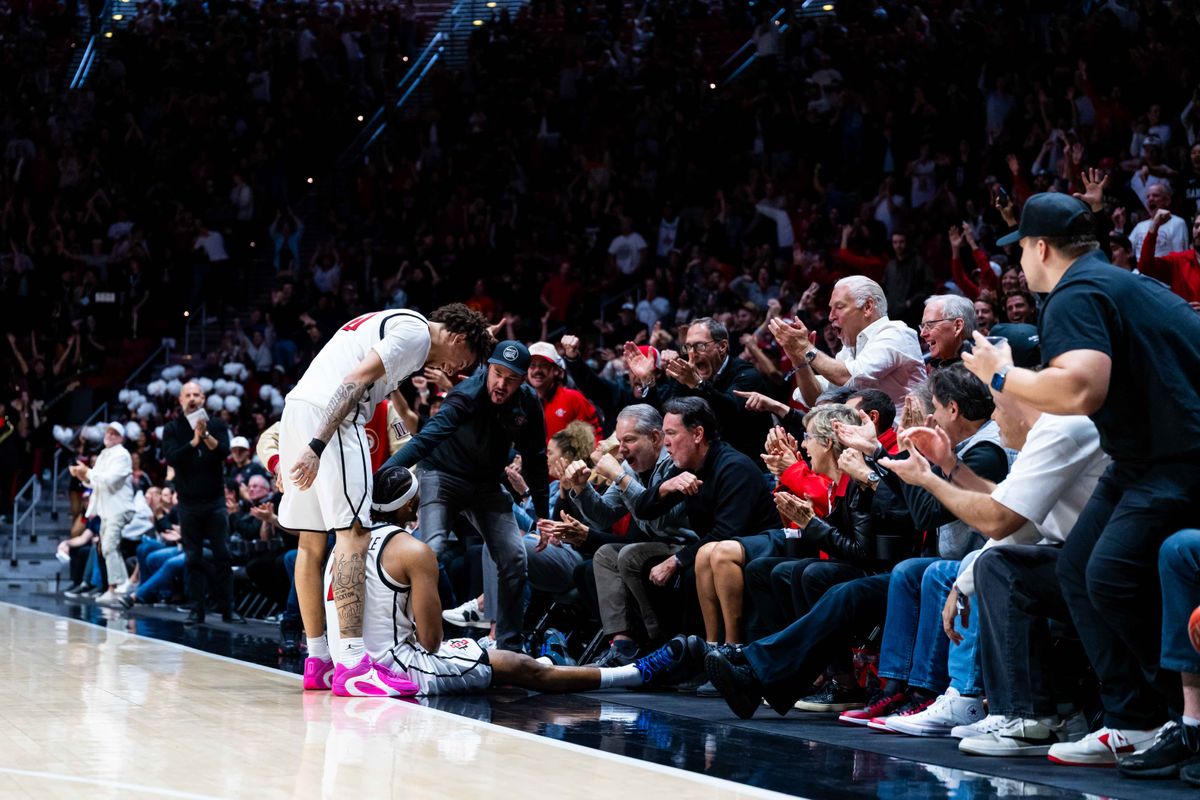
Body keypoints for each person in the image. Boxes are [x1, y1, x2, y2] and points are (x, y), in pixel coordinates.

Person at [963, 192, 1200, 767]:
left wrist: (1000, 377)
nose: (1016, 263)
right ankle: (1133, 721)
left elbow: (1079, 390)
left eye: (1018, 249)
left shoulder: (1074, 293)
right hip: (1143, 457)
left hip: (1179, 458)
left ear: (1040, 247)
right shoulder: (1117, 283)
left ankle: (1180, 720)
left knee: (1111, 573)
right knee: (1078, 567)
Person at [324, 464, 708, 695]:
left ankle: (540, 654)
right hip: (401, 668)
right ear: (412, 504)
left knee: (504, 655)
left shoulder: (343, 547)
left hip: (357, 664)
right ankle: (635, 674)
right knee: (524, 670)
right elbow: (430, 640)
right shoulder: (413, 551)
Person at [279, 302, 491, 694]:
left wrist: (302, 438)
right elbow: (354, 380)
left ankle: (319, 660)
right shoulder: (416, 333)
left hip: (297, 407)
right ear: (458, 337)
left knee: (310, 543)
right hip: (334, 417)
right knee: (353, 535)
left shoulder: (396, 323)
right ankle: (351, 664)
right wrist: (316, 444)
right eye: (468, 358)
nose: (460, 369)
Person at [382, 340, 547, 653]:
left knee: (514, 556)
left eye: (511, 379)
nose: (501, 384)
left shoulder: (528, 405)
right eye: (497, 374)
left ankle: (509, 647)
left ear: (523, 381)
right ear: (488, 368)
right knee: (431, 551)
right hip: (442, 474)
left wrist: (542, 514)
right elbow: (425, 440)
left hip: (486, 483)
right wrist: (384, 475)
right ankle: (413, 636)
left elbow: (537, 459)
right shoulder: (467, 394)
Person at [565, 404, 695, 666]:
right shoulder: (633, 469)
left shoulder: (674, 463)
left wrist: (620, 476)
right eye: (619, 440)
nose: (621, 449)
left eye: (630, 440)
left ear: (656, 438)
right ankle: (622, 645)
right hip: (656, 546)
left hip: (687, 546)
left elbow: (657, 519)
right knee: (604, 555)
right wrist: (581, 488)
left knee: (629, 553)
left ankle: (656, 642)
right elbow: (603, 516)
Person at [770, 276, 925, 408]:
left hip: (908, 439)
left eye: (839, 307)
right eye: (831, 309)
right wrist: (799, 358)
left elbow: (849, 376)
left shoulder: (896, 333)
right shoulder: (849, 349)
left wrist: (805, 347)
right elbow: (816, 398)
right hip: (871, 441)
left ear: (868, 307)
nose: (830, 317)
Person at [161, 383, 241, 625]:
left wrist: (205, 435)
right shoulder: (172, 428)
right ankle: (197, 609)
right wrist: (194, 442)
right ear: (180, 399)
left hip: (215, 500)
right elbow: (172, 458)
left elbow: (224, 452)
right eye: (188, 395)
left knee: (223, 555)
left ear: (204, 398)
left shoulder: (216, 425)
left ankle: (228, 609)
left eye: (197, 394)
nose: (193, 398)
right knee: (192, 557)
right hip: (188, 503)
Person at [68, 422, 134, 609]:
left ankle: (116, 589)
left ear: (121, 438)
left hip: (118, 508)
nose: (110, 435)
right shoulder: (105, 454)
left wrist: (87, 472)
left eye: (115, 433)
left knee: (109, 546)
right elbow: (95, 483)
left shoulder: (122, 455)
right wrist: (81, 476)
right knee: (107, 547)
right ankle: (120, 587)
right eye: (108, 432)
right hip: (107, 509)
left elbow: (110, 481)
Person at [525, 341, 601, 441]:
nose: (537, 370)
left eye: (544, 365)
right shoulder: (522, 401)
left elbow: (594, 437)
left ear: (556, 370)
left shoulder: (573, 398)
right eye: (532, 365)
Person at [1137, 209, 1200, 307]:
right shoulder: (1178, 261)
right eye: (1196, 226)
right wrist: (1155, 225)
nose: (1199, 231)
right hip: (1184, 321)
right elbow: (1145, 267)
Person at [1129, 182, 1188, 263]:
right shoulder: (1140, 226)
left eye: (1155, 195)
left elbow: (1180, 254)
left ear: (1167, 201)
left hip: (1163, 272)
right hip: (1139, 272)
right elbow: (1127, 250)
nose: (1150, 199)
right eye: (1148, 197)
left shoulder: (1178, 223)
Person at [919, 294, 976, 369]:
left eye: (930, 325)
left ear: (958, 326)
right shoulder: (931, 366)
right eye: (923, 326)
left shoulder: (978, 371)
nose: (922, 334)